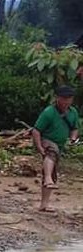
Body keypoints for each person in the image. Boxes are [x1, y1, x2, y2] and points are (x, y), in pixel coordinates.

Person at [32, 84, 80, 212]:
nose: (66, 102)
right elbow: (36, 130)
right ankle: (48, 178)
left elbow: (75, 128)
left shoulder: (73, 112)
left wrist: (73, 139)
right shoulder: (49, 112)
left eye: (68, 99)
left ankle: (44, 204)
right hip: (46, 139)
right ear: (57, 98)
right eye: (63, 98)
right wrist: (39, 147)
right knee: (51, 152)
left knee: (53, 173)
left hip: (60, 144)